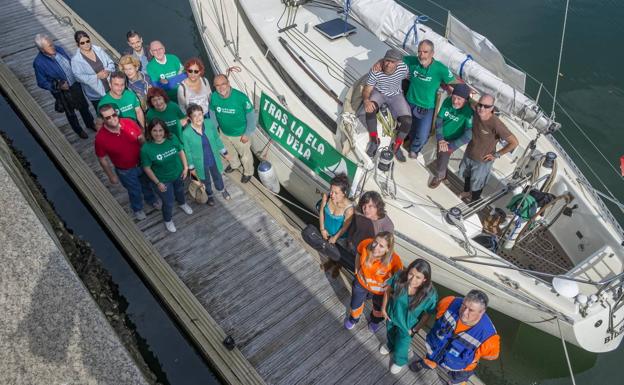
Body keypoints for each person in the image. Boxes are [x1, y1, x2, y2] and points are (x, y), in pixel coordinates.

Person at [409, 289, 500, 385]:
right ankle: (428, 363)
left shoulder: (489, 337)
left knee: (458, 380)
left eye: (471, 310)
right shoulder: (448, 302)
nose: (464, 312)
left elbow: (492, 356)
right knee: (430, 357)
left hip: (462, 367)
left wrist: (474, 354)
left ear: (481, 312)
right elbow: (437, 316)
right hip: (435, 350)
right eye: (464, 305)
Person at [95, 104, 159, 221]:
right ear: (103, 120)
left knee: (147, 184)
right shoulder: (100, 138)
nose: (112, 118)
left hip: (142, 163)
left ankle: (152, 200)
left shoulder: (129, 122)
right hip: (125, 170)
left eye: (114, 114)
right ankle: (138, 209)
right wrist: (111, 176)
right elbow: (102, 159)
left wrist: (149, 158)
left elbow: (141, 139)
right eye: (108, 117)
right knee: (134, 191)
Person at [380, 259, 438, 374]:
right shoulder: (399, 277)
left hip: (407, 326)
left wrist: (414, 330)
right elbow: (388, 290)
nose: (412, 279)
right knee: (390, 333)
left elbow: (427, 315)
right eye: (411, 274)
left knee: (402, 345)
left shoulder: (430, 295)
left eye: (418, 277)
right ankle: (390, 345)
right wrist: (383, 308)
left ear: (425, 279)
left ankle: (399, 361)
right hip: (392, 315)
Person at [403, 40, 459, 159]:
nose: (421, 55)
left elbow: (454, 82)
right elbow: (396, 59)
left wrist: (465, 93)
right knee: (409, 127)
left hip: (427, 107)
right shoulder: (412, 61)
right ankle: (407, 142)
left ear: (432, 53)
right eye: (419, 52)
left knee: (423, 134)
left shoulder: (440, 69)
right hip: (409, 102)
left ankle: (414, 149)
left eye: (425, 52)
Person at [33, 33, 94, 139]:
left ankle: (90, 124)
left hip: (75, 84)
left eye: (52, 43)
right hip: (62, 92)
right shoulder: (38, 63)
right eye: (50, 46)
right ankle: (78, 130)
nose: (53, 47)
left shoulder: (59, 49)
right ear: (42, 49)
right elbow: (41, 82)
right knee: (71, 113)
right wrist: (58, 86)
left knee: (84, 107)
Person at [458, 94, 518, 202]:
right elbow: (468, 99)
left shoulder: (496, 124)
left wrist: (497, 155)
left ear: (492, 108)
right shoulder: (476, 109)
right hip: (469, 152)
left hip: (483, 160)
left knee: (477, 183)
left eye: (486, 106)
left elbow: (514, 142)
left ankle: (474, 201)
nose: (482, 108)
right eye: (480, 105)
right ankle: (466, 191)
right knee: (466, 174)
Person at [141, 118, 194, 233]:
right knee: (168, 202)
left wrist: (185, 168)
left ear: (165, 130)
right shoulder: (146, 149)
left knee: (180, 191)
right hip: (163, 180)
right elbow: (147, 168)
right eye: (154, 130)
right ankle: (168, 220)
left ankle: (182, 203)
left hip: (178, 174)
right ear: (150, 131)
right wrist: (157, 183)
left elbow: (181, 151)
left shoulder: (172, 138)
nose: (158, 133)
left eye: (160, 130)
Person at [344, 231, 403, 333]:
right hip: (361, 284)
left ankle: (375, 321)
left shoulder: (395, 260)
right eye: (375, 242)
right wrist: (357, 269)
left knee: (378, 309)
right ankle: (354, 319)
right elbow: (358, 253)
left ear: (388, 249)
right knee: (355, 304)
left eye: (381, 246)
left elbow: (399, 278)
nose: (376, 247)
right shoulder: (365, 244)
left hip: (380, 291)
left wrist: (391, 286)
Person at [363, 49, 412, 162]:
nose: (388, 64)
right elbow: (367, 89)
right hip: (379, 93)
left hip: (396, 95)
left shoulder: (403, 68)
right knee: (369, 110)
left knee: (407, 121)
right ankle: (374, 140)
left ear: (398, 63)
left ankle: (396, 145)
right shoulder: (376, 70)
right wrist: (366, 100)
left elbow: (409, 77)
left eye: (392, 62)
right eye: (386, 60)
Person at [209, 74, 256, 183]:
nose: (221, 88)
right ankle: (235, 164)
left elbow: (251, 117)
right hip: (224, 132)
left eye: (223, 84)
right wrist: (214, 129)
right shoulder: (214, 97)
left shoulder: (241, 98)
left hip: (240, 134)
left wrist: (247, 133)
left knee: (245, 156)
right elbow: (212, 113)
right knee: (229, 151)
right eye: (217, 85)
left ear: (228, 84)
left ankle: (248, 172)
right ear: (214, 87)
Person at [182, 104, 231, 206]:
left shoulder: (209, 123)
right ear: (189, 118)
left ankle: (221, 189)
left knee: (217, 175)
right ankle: (209, 195)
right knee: (205, 180)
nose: (198, 118)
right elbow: (188, 152)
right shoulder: (186, 133)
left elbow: (217, 139)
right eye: (194, 116)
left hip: (213, 158)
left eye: (200, 114)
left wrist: (224, 152)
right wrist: (192, 169)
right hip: (199, 163)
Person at [429, 83, 473, 189]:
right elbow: (439, 120)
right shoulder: (447, 101)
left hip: (454, 139)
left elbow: (468, 135)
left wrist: (451, 146)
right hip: (443, 136)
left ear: (466, 100)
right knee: (441, 154)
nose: (455, 101)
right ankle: (444, 173)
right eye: (454, 97)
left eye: (459, 99)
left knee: (443, 153)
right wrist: (441, 139)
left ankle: (440, 176)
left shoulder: (468, 112)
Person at [319, 173, 354, 277]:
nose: (332, 195)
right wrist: (322, 229)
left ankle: (338, 266)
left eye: (336, 193)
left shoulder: (349, 209)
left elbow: (345, 227)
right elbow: (321, 212)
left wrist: (335, 237)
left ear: (344, 193)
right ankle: (330, 262)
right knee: (329, 251)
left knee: (339, 255)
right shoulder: (327, 197)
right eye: (331, 190)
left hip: (340, 237)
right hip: (326, 231)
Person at [70, 30, 115, 110]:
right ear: (77, 44)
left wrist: (108, 70)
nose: (86, 44)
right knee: (104, 116)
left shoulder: (99, 50)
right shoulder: (76, 60)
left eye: (87, 41)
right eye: (82, 43)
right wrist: (97, 76)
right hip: (96, 94)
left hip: (112, 88)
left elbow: (111, 63)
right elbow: (78, 77)